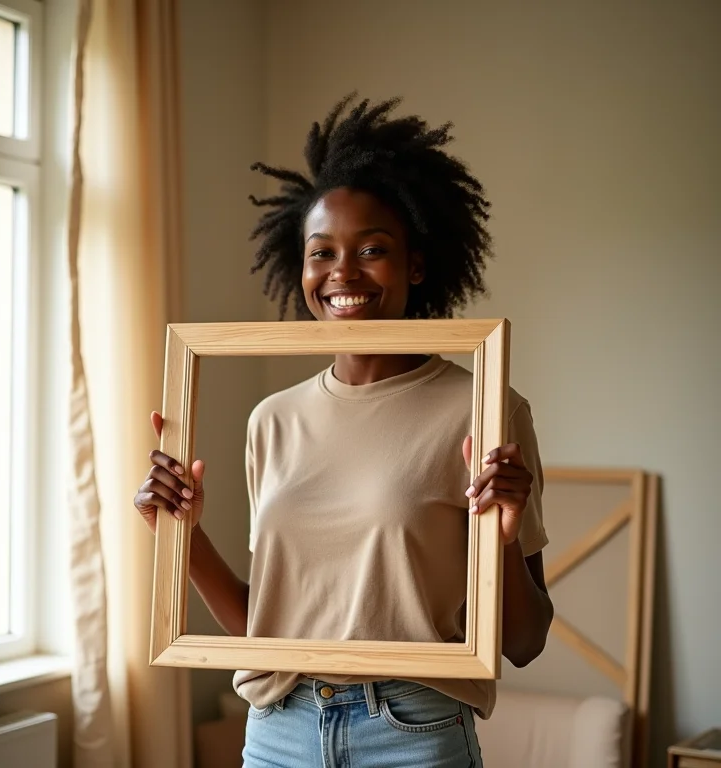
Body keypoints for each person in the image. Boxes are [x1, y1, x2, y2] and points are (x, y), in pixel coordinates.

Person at [134, 94, 553, 767]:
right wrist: (179, 531)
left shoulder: (483, 407)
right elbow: (263, 626)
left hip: (412, 732)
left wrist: (503, 539)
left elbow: (526, 642)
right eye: (321, 252)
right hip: (278, 731)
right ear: (298, 268)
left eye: (373, 249)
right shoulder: (272, 420)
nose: (343, 273)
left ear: (416, 264)